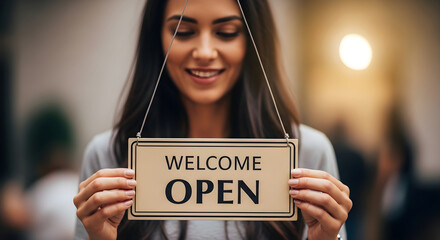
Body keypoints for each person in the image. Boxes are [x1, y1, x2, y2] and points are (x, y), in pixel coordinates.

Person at [73, 0, 352, 239]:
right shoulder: (108, 156)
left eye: (226, 32)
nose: (205, 52)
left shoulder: (308, 153)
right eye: (182, 32)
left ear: (253, 40)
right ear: (155, 38)